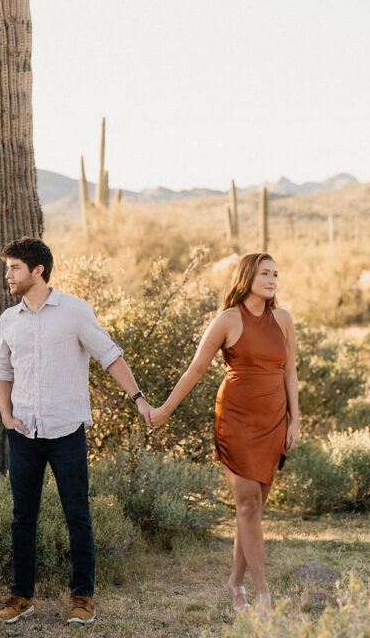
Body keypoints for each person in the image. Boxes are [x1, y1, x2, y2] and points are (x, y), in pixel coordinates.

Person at [0, 237, 153, 626]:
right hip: (24, 435)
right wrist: (6, 416)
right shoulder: (8, 319)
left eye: (14, 267)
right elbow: (2, 371)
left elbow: (110, 355)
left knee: (77, 516)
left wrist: (140, 400)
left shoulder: (74, 311)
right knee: (21, 518)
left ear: (37, 271)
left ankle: (82, 599)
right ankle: (21, 597)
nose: (8, 275)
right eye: (8, 268)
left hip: (66, 433)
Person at [149, 252, 299, 615]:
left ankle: (234, 584)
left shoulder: (284, 319)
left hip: (274, 420)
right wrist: (165, 410)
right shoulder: (228, 320)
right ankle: (262, 594)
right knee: (247, 504)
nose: (272, 279)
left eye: (275, 274)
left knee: (253, 510)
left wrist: (296, 420)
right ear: (247, 276)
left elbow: (289, 372)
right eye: (265, 273)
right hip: (235, 420)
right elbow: (196, 369)